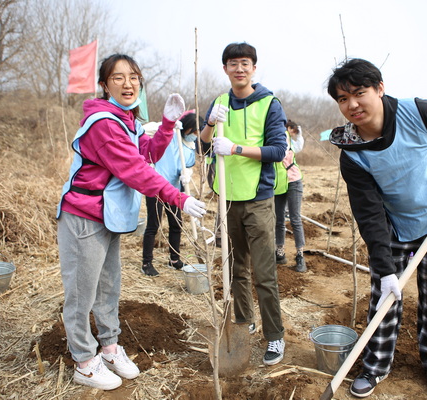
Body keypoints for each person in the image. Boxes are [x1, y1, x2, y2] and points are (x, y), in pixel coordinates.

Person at [326, 58, 427, 399]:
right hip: (393, 229)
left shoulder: (418, 112)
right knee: (385, 299)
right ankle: (376, 365)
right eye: (342, 99)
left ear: (379, 88)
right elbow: (369, 212)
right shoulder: (351, 151)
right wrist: (384, 268)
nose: (352, 105)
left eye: (359, 93)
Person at [56, 54, 206, 390]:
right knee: (81, 294)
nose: (128, 84)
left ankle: (108, 347)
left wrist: (167, 125)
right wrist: (179, 198)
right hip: (83, 216)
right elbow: (136, 171)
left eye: (134, 76)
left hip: (107, 217)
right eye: (119, 77)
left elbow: (148, 154)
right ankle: (84, 360)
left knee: (108, 287)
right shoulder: (104, 124)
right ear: (105, 84)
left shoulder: (125, 120)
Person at [200, 42, 287, 366]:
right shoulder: (220, 103)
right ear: (225, 68)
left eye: (245, 63)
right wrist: (210, 124)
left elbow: (278, 151)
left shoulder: (269, 103)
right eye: (233, 63)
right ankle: (244, 319)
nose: (239, 68)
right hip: (227, 199)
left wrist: (235, 148)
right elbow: (202, 144)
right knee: (236, 268)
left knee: (264, 273)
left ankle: (275, 337)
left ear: (254, 67)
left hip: (259, 200)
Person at [141, 111, 203, 276]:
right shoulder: (171, 135)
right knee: (153, 225)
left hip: (175, 190)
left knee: (176, 224)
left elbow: (188, 164)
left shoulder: (190, 147)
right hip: (156, 185)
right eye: (194, 132)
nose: (195, 136)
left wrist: (187, 173)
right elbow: (144, 130)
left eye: (198, 133)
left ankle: (174, 259)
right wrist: (167, 125)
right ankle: (146, 262)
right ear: (187, 128)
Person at [274, 119, 307, 272]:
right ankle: (279, 252)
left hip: (293, 181)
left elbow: (297, 146)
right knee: (279, 219)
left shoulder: (287, 140)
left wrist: (297, 132)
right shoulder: (272, 138)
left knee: (295, 219)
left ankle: (300, 256)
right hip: (278, 183)